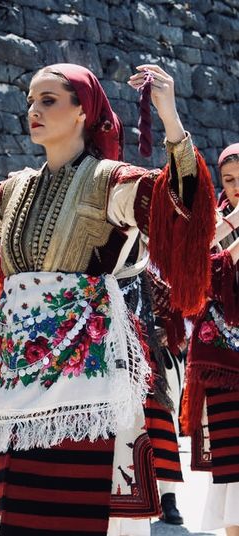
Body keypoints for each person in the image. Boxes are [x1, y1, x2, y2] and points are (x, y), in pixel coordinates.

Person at [0, 63, 216, 535]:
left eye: (48, 100)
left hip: (91, 385)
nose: (33, 110)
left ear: (83, 112)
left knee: (83, 515)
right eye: (30, 101)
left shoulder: (109, 181)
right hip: (21, 386)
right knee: (26, 519)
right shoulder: (16, 189)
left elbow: (181, 207)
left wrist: (170, 118)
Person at [182, 143, 239, 536]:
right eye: (230, 180)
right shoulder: (215, 221)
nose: (237, 187)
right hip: (222, 358)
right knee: (234, 464)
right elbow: (195, 263)